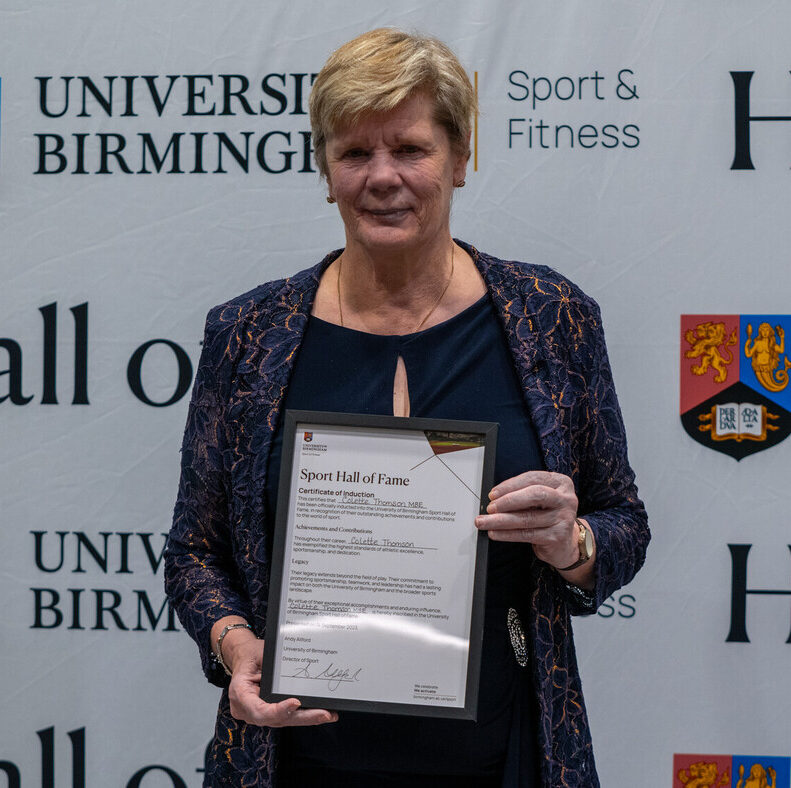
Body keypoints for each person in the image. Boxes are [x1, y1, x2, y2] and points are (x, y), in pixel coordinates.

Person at [164, 28, 649, 788]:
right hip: (295, 760)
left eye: (411, 149)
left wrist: (572, 540)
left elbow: (623, 521)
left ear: (460, 158)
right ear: (324, 170)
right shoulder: (248, 334)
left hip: (500, 756)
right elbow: (194, 549)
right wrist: (234, 644)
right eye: (354, 153)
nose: (382, 177)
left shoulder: (552, 317)